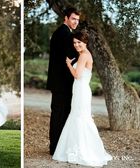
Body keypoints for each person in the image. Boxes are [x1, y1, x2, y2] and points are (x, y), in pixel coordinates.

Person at [52, 30, 112, 166]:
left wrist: (68, 64)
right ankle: (79, 147)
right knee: (79, 117)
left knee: (80, 118)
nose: (76, 45)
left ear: (85, 42)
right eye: (74, 43)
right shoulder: (85, 54)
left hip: (81, 91)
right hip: (81, 91)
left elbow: (77, 75)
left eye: (79, 42)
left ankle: (82, 150)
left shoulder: (84, 55)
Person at [46, 7, 80, 155]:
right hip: (62, 82)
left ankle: (56, 146)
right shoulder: (64, 34)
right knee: (60, 114)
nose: (76, 22)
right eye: (73, 19)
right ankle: (55, 147)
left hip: (60, 82)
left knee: (60, 113)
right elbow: (71, 56)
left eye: (78, 20)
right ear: (65, 18)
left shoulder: (63, 32)